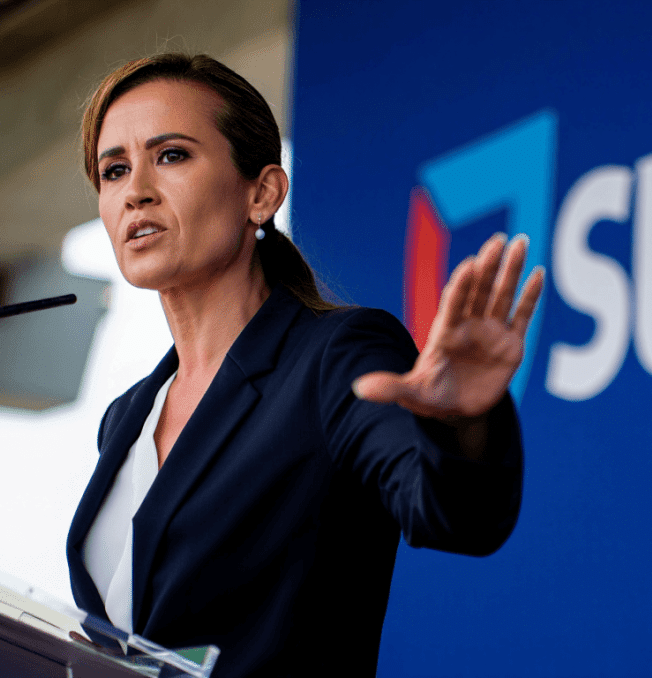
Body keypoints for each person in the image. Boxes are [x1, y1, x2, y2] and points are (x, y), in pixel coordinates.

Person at [64, 53, 543, 677]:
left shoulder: (336, 355)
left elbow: (456, 516)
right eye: (114, 170)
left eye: (172, 155)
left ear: (262, 193)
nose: (136, 192)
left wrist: (464, 422)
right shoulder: (126, 418)